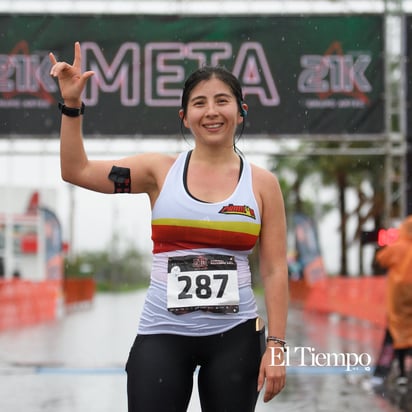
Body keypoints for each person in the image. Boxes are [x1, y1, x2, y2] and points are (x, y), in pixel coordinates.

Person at [49, 42, 288, 412]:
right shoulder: (158, 173)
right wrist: (71, 105)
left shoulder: (262, 184)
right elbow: (75, 170)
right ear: (184, 116)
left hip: (236, 339)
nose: (212, 111)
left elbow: (274, 269)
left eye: (222, 101)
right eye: (199, 103)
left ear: (241, 113)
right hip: (162, 334)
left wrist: (276, 346)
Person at [376, 215, 412, 386]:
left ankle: (398, 373)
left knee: (396, 333)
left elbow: (381, 259)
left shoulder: (397, 247)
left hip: (398, 300)